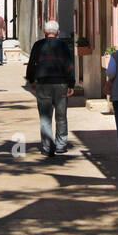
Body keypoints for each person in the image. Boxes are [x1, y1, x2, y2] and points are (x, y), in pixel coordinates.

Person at [26, 19, 75, 157]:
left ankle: (47, 147)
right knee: (61, 115)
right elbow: (69, 65)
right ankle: (61, 144)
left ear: (45, 32)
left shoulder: (38, 45)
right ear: (57, 33)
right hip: (61, 83)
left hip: (43, 83)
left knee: (45, 117)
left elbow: (31, 64)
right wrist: (71, 84)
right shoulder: (63, 46)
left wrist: (31, 79)